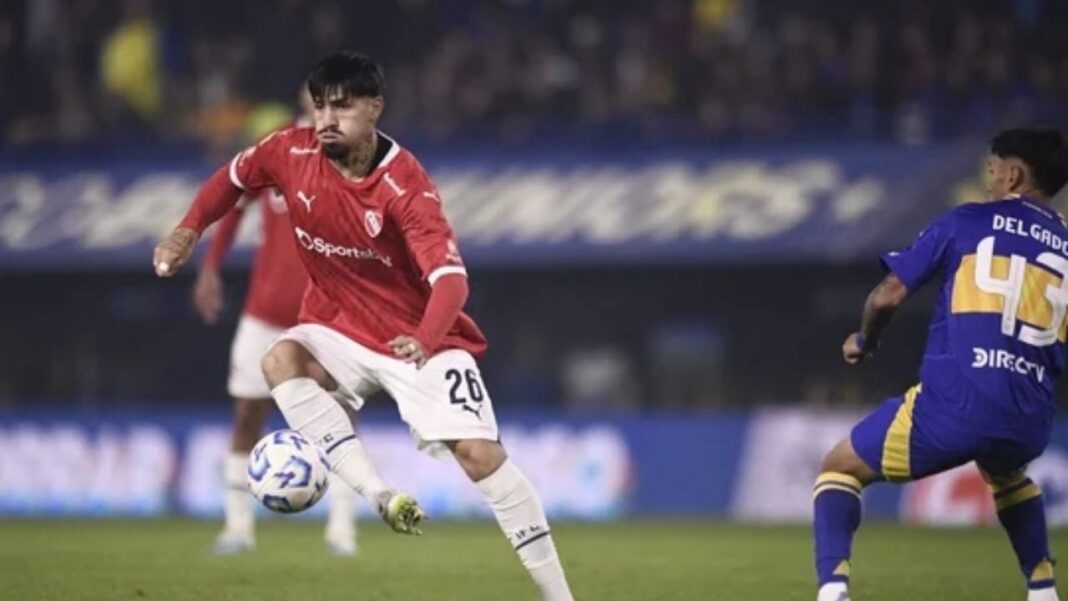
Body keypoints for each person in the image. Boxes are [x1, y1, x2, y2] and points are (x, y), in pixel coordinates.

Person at [154, 51, 576, 600]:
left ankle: (559, 596)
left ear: (375, 108)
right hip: (337, 324)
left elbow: (452, 284)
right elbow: (232, 179)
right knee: (279, 359)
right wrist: (188, 231)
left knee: (480, 457)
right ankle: (378, 494)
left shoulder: (407, 187)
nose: (327, 120)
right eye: (321, 106)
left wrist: (424, 341)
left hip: (417, 337)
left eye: (343, 107)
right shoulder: (289, 150)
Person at [812, 128, 1068, 601]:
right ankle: (1043, 590)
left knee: (839, 469)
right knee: (1008, 473)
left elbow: (888, 295)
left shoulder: (967, 222)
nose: (988, 180)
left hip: (956, 406)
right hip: (1030, 417)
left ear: (1013, 175)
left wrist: (865, 340)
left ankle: (832, 593)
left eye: (991, 171)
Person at [193, 99, 361, 555]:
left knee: (340, 418)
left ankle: (342, 531)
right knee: (248, 413)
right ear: (307, 98)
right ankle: (238, 530)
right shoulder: (275, 147)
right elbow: (231, 203)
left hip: (330, 315)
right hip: (265, 310)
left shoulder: (360, 152)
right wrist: (211, 266)